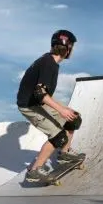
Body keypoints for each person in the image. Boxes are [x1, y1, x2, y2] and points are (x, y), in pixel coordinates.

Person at [17, 29, 85, 182]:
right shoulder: (49, 65)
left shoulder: (49, 61)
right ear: (67, 48)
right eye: (72, 47)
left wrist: (64, 108)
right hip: (29, 106)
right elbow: (40, 93)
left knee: (73, 119)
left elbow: (44, 93)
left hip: (37, 101)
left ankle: (65, 154)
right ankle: (35, 171)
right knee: (58, 136)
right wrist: (60, 109)